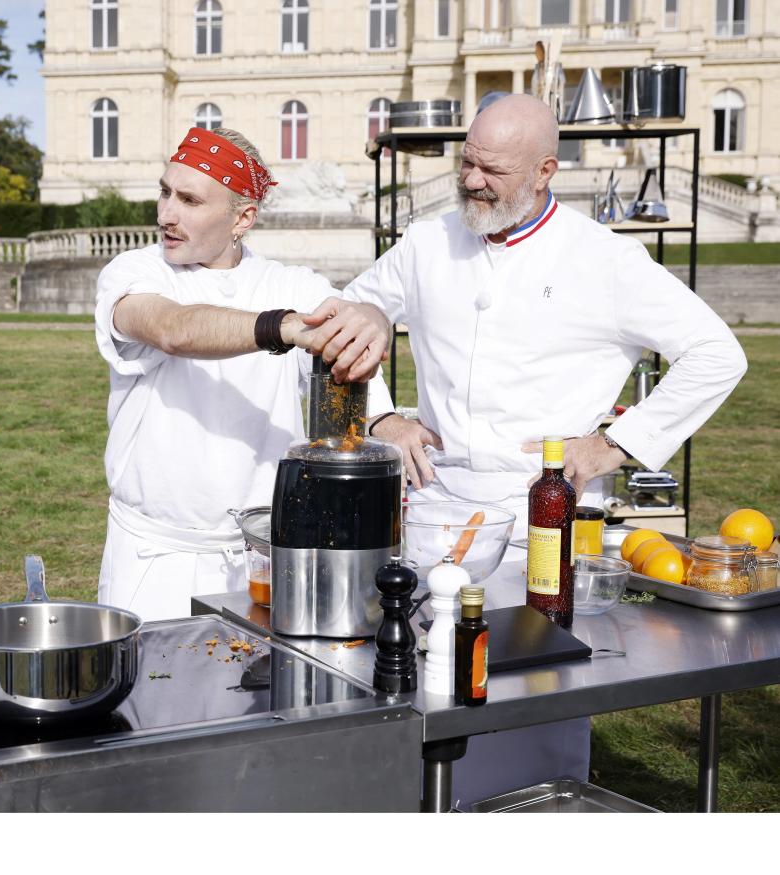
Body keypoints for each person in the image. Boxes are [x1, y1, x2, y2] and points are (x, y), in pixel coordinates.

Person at [304, 94, 748, 807]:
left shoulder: (605, 259)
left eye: (494, 169)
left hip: (542, 525)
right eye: (467, 162)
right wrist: (384, 415)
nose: (473, 179)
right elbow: (347, 319)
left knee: (530, 718)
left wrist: (614, 444)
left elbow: (715, 353)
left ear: (546, 170)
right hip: (437, 520)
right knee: (421, 706)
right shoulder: (426, 243)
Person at [94, 127, 394, 622]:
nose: (166, 214)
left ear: (243, 217)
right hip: (155, 559)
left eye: (189, 200)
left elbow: (355, 370)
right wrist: (283, 327)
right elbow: (174, 329)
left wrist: (384, 409)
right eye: (165, 191)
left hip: (267, 556)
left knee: (262, 698)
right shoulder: (134, 271)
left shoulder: (290, 283)